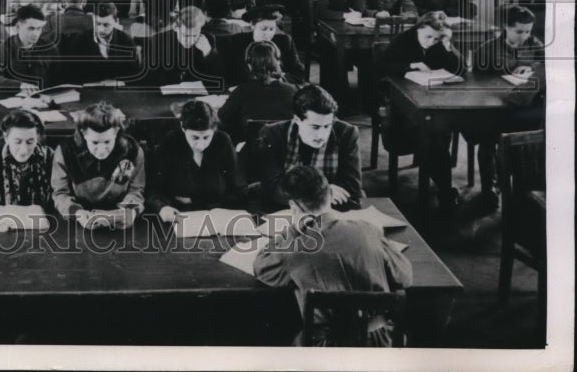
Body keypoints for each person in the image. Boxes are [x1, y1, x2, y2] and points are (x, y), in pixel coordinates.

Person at [254, 166, 412, 347]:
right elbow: (405, 277)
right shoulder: (369, 229)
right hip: (380, 345)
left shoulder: (295, 247)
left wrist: (291, 231)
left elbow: (261, 267)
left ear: (293, 207)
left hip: (326, 351)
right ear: (330, 194)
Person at [377, 12, 464, 213]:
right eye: (427, 37)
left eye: (435, 38)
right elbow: (381, 67)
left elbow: (460, 70)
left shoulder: (439, 43)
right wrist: (410, 66)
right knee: (433, 135)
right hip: (400, 105)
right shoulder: (402, 41)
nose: (430, 42)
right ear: (418, 29)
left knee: (438, 131)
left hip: (429, 101)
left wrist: (448, 47)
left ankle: (441, 185)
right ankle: (444, 188)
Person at [468, 5, 546, 209]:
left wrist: (532, 67)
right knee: (487, 139)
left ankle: (523, 192)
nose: (524, 36)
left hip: (523, 108)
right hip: (494, 107)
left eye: (528, 31)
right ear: (506, 27)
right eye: (519, 31)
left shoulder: (535, 46)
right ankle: (490, 189)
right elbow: (476, 83)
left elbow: (545, 70)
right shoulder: (487, 49)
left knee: (528, 142)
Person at [255, 85, 362, 211]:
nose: (322, 135)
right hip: (285, 210)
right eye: (315, 127)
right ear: (297, 120)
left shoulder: (347, 133)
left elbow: (352, 189)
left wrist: (300, 193)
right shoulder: (273, 134)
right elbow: (272, 189)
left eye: (327, 126)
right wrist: (325, 193)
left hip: (331, 211)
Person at [51, 101, 145, 230]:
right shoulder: (65, 152)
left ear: (116, 131)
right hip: (79, 219)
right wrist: (77, 213)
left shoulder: (132, 151)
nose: (101, 150)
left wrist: (130, 211)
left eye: (107, 142)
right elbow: (60, 193)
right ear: (83, 134)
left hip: (120, 218)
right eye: (95, 142)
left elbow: (136, 189)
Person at [148, 99, 244, 219]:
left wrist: (195, 201)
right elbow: (155, 190)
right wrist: (162, 207)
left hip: (219, 215)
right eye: (195, 137)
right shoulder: (170, 143)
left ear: (214, 129)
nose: (201, 144)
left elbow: (239, 190)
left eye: (206, 137)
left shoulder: (223, 141)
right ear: (183, 128)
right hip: (178, 216)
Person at [218, 42, 299, 146]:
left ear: (249, 65)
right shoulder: (294, 90)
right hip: (286, 151)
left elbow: (222, 116)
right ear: (278, 63)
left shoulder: (242, 91)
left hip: (251, 153)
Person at [0, 109, 54, 208]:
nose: (24, 150)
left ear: (37, 138)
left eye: (30, 142)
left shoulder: (51, 158)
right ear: (6, 138)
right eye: (17, 142)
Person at [58, 1, 140, 83]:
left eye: (106, 25)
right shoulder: (81, 40)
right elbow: (72, 72)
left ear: (116, 22)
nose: (101, 29)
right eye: (98, 24)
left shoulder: (126, 41)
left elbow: (134, 72)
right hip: (88, 89)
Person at [0, 4, 60, 89]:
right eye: (31, 28)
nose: (36, 34)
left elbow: (59, 78)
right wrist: (20, 85)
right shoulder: (3, 49)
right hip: (14, 99)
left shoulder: (49, 48)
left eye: (39, 28)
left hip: (45, 98)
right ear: (17, 27)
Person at [142, 6, 218, 86]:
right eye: (185, 35)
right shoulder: (156, 41)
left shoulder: (207, 39)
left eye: (195, 36)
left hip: (198, 94)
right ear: (175, 27)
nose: (190, 41)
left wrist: (208, 52)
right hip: (164, 93)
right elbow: (148, 77)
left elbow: (216, 76)